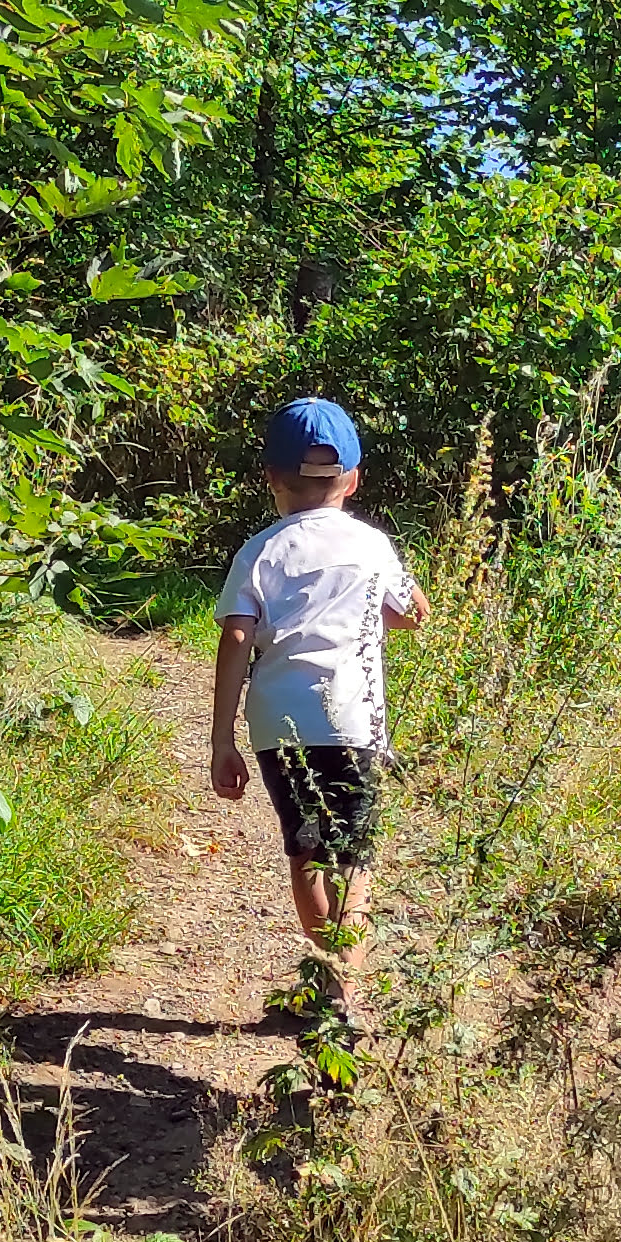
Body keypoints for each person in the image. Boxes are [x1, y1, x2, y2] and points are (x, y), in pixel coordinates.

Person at [208, 396, 429, 1017]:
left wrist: (222, 738)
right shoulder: (372, 545)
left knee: (306, 851)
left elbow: (235, 637)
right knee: (354, 853)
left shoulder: (259, 552)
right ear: (353, 479)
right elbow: (408, 613)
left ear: (271, 478)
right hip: (356, 721)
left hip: (280, 724)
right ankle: (345, 991)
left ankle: (327, 969)